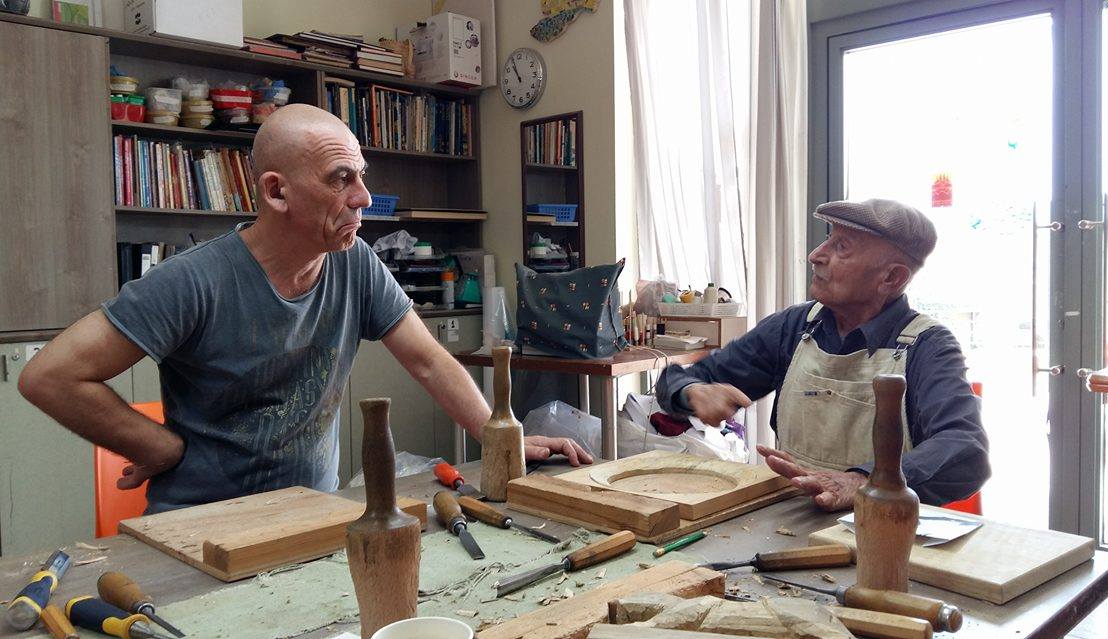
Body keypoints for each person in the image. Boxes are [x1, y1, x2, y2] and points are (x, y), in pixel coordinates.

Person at [18, 104, 590, 513]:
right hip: (201, 526)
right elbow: (50, 376)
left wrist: (498, 435)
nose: (364, 198)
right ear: (276, 192)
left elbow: (428, 360)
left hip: (313, 516)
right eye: (341, 179)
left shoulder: (356, 263)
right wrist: (158, 446)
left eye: (361, 176)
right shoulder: (192, 281)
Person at [656, 198, 990, 511]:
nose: (816, 254)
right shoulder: (794, 327)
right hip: (789, 522)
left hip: (883, 530)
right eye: (828, 240)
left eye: (842, 247)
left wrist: (865, 480)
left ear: (892, 277)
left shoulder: (927, 346)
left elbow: (965, 447)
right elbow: (681, 378)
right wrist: (693, 391)